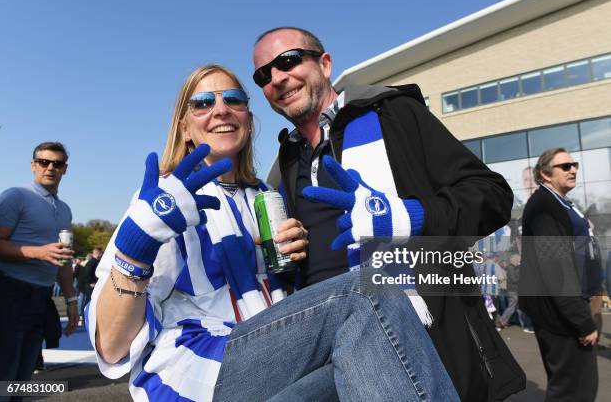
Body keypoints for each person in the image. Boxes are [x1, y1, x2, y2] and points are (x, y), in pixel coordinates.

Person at [87, 65, 459, 401]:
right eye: (202, 103)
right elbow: (113, 344)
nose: (221, 110)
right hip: (202, 373)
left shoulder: (267, 196)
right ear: (184, 127)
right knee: (367, 290)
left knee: (374, 362)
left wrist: (292, 266)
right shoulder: (166, 198)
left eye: (233, 99)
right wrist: (136, 248)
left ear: (248, 119)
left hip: (274, 364)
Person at [252, 26, 525, 400]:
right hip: (340, 354)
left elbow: (492, 196)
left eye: (287, 61)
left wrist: (407, 217)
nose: (278, 78)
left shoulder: (392, 114)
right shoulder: (287, 161)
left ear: (325, 64)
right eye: (263, 75)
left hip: (429, 338)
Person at [519, 147, 599, 401]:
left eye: (574, 164)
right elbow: (555, 267)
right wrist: (581, 320)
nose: (573, 169)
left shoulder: (560, 203)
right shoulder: (545, 206)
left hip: (570, 307)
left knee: (579, 386)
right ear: (545, 174)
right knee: (572, 390)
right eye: (565, 166)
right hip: (560, 315)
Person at [0, 142, 78, 390]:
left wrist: (72, 301)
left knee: (22, 377)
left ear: (65, 169)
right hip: (10, 291)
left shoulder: (65, 210)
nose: (50, 167)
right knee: (4, 373)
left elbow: (63, 260)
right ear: (33, 166)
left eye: (57, 163)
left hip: (41, 296)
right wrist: (39, 252)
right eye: (44, 162)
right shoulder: (16, 196)